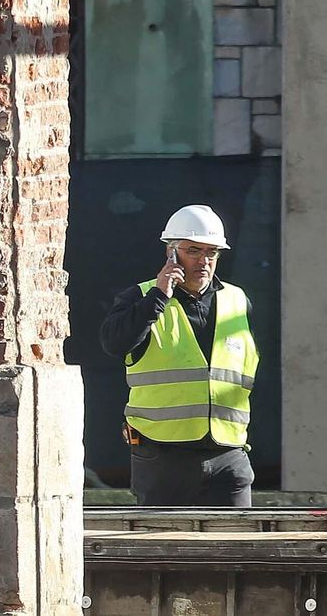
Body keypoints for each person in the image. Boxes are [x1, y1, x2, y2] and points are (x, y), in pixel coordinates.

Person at [99, 204, 259, 507]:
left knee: (235, 549)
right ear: (170, 253)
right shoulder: (141, 296)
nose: (204, 261)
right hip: (163, 455)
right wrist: (159, 296)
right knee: (165, 550)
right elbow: (114, 343)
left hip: (228, 453)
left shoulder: (237, 300)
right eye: (194, 251)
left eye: (211, 253)